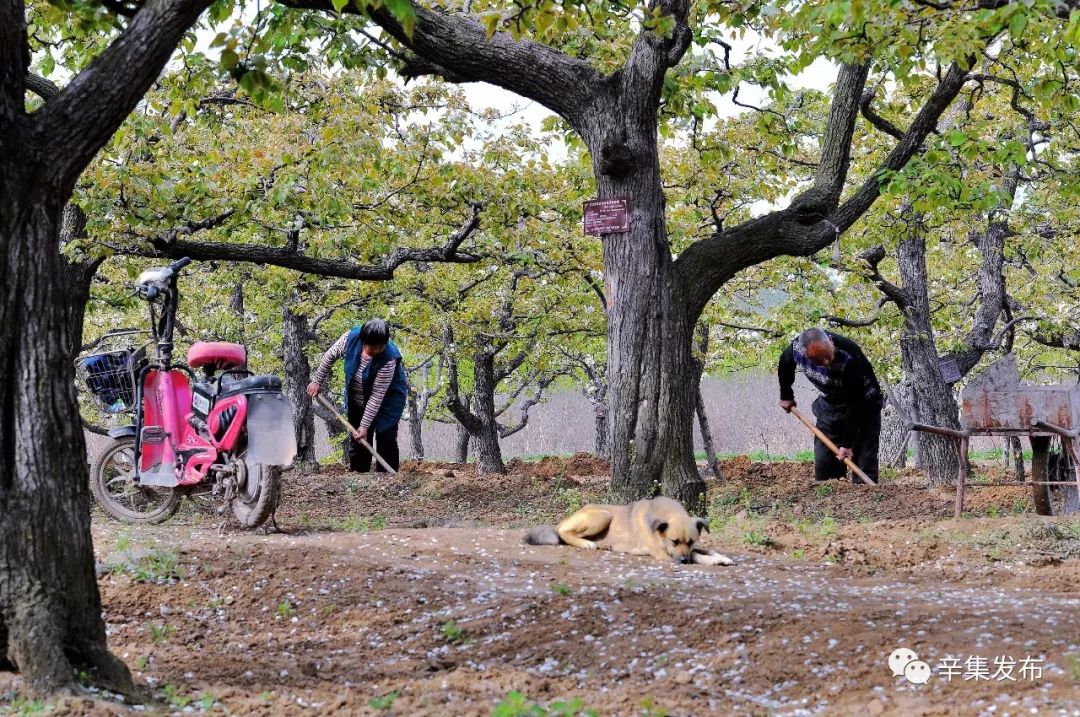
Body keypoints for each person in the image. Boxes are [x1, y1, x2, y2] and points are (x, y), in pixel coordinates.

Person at [777, 327, 883, 484]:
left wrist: (847, 445)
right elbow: (785, 364)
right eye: (818, 361)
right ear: (805, 355)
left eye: (828, 356)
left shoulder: (849, 355)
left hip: (863, 406)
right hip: (830, 404)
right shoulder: (795, 349)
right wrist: (786, 395)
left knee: (863, 463)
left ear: (830, 341)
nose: (826, 363)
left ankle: (866, 500)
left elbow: (856, 404)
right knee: (826, 470)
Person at [308, 319, 408, 472]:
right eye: (373, 347)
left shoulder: (389, 359)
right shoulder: (349, 340)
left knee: (385, 435)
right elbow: (329, 357)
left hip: (387, 400)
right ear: (363, 342)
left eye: (381, 346)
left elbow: (376, 396)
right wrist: (316, 381)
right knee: (358, 437)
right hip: (357, 395)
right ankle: (359, 473)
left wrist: (365, 425)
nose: (378, 351)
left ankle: (387, 476)